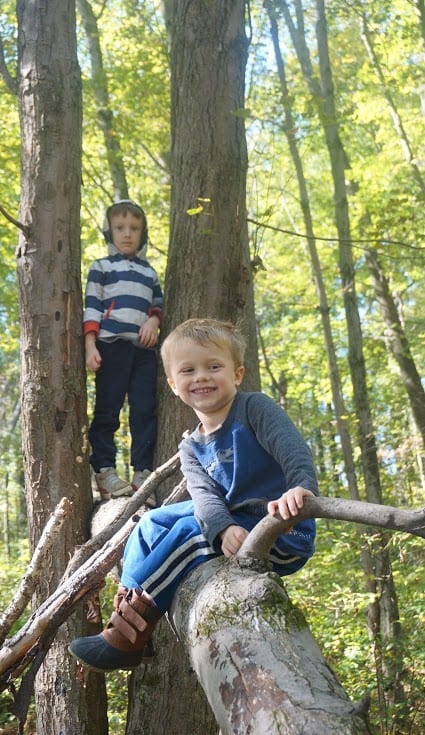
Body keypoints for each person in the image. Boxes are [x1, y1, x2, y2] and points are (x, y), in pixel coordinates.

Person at [69, 318, 319, 671]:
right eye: (188, 370)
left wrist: (300, 488)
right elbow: (204, 498)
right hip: (233, 519)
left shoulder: (254, 409)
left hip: (278, 532)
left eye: (213, 367)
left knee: (190, 532)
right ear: (174, 385)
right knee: (152, 522)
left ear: (237, 374)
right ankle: (130, 613)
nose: (201, 377)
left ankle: (124, 636)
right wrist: (222, 527)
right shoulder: (191, 446)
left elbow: (293, 452)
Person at [83, 200, 163, 500]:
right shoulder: (101, 267)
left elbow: (158, 304)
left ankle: (143, 473)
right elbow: (92, 306)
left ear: (143, 234)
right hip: (111, 346)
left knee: (144, 410)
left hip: (143, 351)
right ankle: (104, 470)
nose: (127, 234)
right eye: (120, 228)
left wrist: (153, 321)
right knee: (108, 408)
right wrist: (90, 345)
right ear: (110, 232)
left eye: (134, 228)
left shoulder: (149, 272)